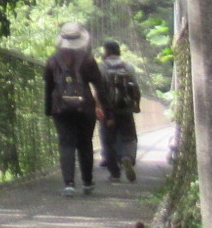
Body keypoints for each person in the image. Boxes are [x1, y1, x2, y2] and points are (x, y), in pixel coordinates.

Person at [41, 21, 107, 196]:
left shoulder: (52, 61)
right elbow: (100, 86)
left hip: (60, 108)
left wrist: (48, 109)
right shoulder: (88, 60)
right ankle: (87, 182)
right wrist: (106, 108)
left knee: (66, 143)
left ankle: (69, 184)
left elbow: (48, 87)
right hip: (85, 107)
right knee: (85, 143)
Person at [97, 40, 143, 183]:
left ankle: (115, 174)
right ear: (118, 51)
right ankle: (127, 158)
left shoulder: (101, 67)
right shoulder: (128, 66)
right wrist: (136, 104)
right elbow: (135, 87)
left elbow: (99, 91)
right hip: (125, 109)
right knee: (129, 137)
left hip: (108, 110)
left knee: (108, 141)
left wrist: (98, 108)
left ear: (107, 52)